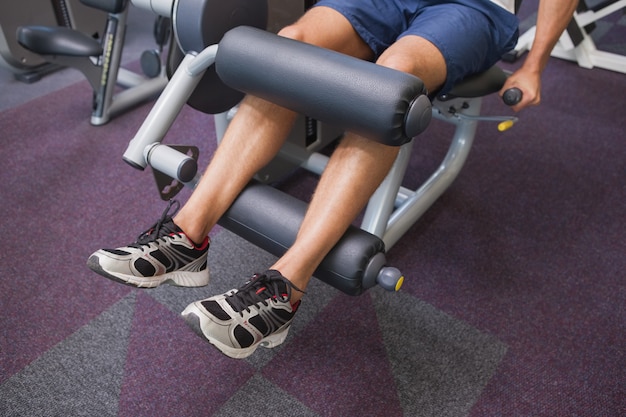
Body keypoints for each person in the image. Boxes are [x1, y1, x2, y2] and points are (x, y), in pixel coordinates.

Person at [88, 0, 578, 359]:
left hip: (469, 7)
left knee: (393, 78)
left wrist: (534, 66)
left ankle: (287, 286)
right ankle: (186, 237)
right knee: (290, 48)